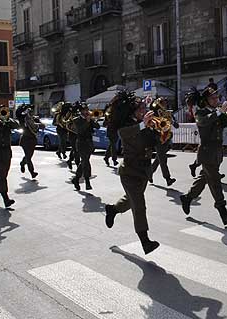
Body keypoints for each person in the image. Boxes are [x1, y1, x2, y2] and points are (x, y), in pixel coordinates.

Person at [104, 91, 160, 254]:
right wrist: (144, 124)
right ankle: (145, 242)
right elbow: (126, 133)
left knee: (130, 201)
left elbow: (153, 142)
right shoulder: (127, 126)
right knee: (139, 206)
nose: (143, 110)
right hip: (129, 173)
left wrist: (160, 132)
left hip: (142, 172)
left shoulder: (144, 124)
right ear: (132, 112)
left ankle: (112, 210)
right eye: (141, 108)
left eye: (144, 107)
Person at [180, 87, 227, 225]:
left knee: (204, 178)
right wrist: (220, 111)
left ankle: (187, 198)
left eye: (217, 97)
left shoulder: (218, 113)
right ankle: (223, 212)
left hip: (217, 152)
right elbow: (204, 122)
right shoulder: (201, 113)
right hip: (207, 152)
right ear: (206, 100)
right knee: (215, 182)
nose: (216, 100)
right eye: (213, 98)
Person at [71, 103, 100, 191]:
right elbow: (80, 130)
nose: (87, 111)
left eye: (87, 110)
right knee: (86, 162)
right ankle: (87, 182)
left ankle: (76, 179)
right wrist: (87, 121)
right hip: (81, 143)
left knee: (84, 161)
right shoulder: (76, 120)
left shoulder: (89, 118)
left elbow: (97, 127)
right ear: (81, 111)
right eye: (84, 110)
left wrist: (94, 120)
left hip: (89, 143)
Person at [149, 98, 177, 186]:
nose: (165, 104)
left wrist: (172, 121)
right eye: (163, 103)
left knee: (159, 159)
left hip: (167, 139)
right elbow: (153, 126)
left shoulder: (168, 113)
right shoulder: (155, 115)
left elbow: (176, 125)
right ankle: (168, 178)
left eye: (165, 103)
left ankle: (149, 173)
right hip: (158, 139)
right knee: (163, 159)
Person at [17, 104, 44, 178]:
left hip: (32, 140)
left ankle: (22, 163)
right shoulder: (23, 119)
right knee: (28, 157)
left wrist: (39, 123)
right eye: (29, 111)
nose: (30, 112)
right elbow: (19, 114)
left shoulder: (32, 119)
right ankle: (32, 172)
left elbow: (37, 126)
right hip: (25, 140)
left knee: (29, 156)